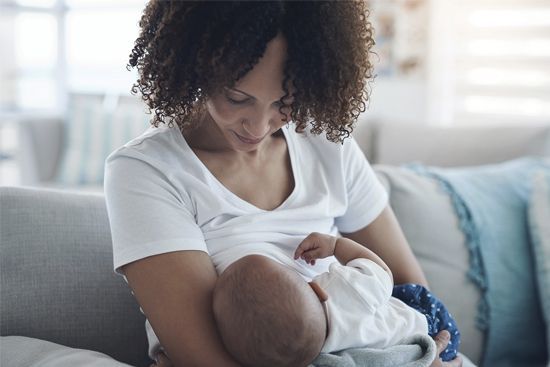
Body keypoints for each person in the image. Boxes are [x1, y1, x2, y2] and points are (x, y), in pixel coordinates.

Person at [103, 1, 463, 367]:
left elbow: (414, 296)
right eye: (237, 98)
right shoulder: (147, 171)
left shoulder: (327, 145)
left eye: (284, 102)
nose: (258, 127)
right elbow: (205, 360)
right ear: (195, 63)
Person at [212, 233, 461, 367]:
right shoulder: (342, 288)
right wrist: (336, 245)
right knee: (404, 292)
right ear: (317, 291)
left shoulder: (307, 357)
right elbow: (381, 272)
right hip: (429, 325)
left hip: (414, 355)